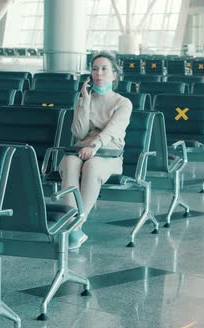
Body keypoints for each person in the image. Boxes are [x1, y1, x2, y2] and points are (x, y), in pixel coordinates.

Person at [59, 51, 133, 250]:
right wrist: (84, 102)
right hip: (83, 148)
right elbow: (79, 132)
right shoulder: (85, 98)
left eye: (104, 69)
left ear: (114, 75)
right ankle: (70, 224)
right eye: (94, 69)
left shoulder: (123, 103)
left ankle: (75, 226)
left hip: (109, 152)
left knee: (92, 166)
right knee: (68, 162)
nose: (98, 73)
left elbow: (111, 131)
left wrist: (94, 146)